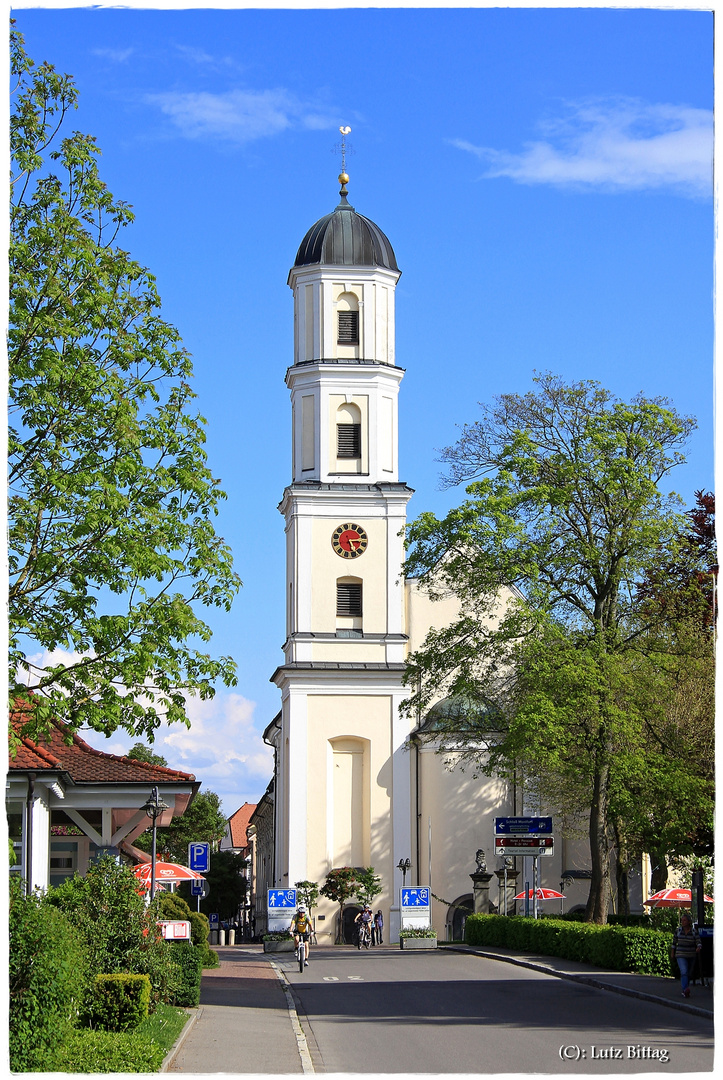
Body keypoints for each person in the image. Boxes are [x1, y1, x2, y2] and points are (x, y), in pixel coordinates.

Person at [672, 913, 702, 998]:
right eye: (682, 920)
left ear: (689, 921)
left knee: (689, 973)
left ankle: (685, 989)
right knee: (684, 971)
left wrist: (699, 947)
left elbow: (698, 941)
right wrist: (672, 952)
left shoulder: (693, 931)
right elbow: (674, 943)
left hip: (691, 954)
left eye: (684, 920)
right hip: (680, 954)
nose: (683, 922)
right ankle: (685, 989)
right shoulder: (678, 931)